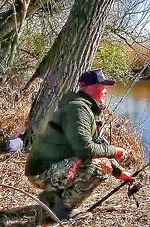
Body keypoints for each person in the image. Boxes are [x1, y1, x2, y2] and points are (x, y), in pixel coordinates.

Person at [25, 69, 135, 220]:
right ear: (91, 88)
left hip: (51, 164)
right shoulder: (78, 108)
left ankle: (51, 198)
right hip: (41, 171)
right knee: (100, 166)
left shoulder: (84, 107)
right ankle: (60, 211)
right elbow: (85, 149)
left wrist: (119, 172)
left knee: (100, 160)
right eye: (103, 86)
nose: (106, 91)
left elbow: (95, 145)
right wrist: (115, 151)